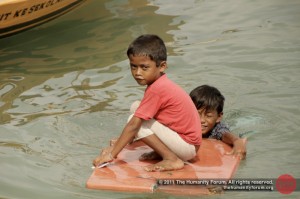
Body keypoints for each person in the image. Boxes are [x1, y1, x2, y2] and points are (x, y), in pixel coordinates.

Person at [93, 34, 202, 171]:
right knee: (136, 107)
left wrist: (111, 153)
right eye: (133, 67)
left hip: (187, 147)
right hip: (186, 143)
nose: (137, 73)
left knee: (135, 121)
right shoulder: (160, 83)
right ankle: (161, 152)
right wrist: (123, 141)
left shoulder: (157, 89)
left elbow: (133, 125)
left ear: (162, 66)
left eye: (144, 68)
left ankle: (171, 159)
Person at [189, 85, 247, 159]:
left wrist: (237, 141)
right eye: (197, 114)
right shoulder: (187, 123)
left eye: (208, 116)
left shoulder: (217, 129)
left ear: (218, 117)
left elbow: (225, 134)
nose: (202, 120)